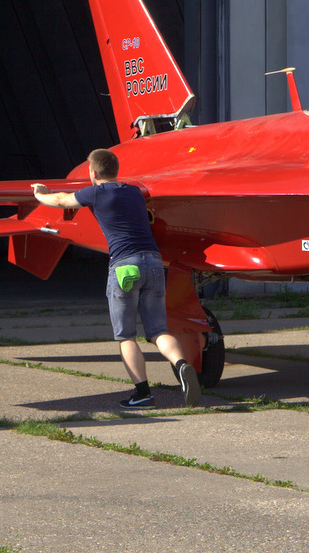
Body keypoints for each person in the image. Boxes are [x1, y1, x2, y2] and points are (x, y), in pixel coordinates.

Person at [33, 150, 200, 409]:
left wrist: (39, 194)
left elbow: (62, 200)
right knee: (158, 330)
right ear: (116, 169)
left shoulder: (96, 192)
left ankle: (143, 394)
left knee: (126, 336)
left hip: (125, 266)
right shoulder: (133, 191)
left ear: (94, 173)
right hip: (154, 263)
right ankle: (182, 366)